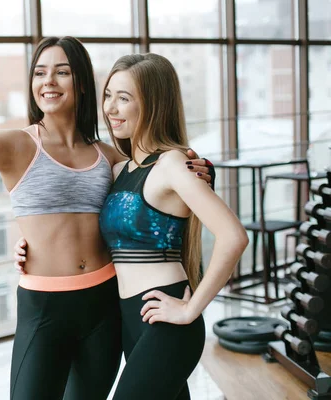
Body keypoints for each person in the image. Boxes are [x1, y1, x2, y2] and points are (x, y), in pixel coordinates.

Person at [0, 37, 214, 400]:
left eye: (62, 72)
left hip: (104, 308)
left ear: (80, 83)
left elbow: (151, 201)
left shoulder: (109, 156)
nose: (48, 81)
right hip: (44, 308)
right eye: (40, 72)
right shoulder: (17, 145)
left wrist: (199, 171)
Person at [14, 53, 248, 399]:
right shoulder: (118, 169)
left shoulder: (172, 164)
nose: (111, 108)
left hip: (166, 317)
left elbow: (233, 237)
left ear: (153, 104)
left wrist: (190, 308)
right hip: (129, 317)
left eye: (124, 98)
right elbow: (76, 220)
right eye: (108, 95)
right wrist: (31, 243)